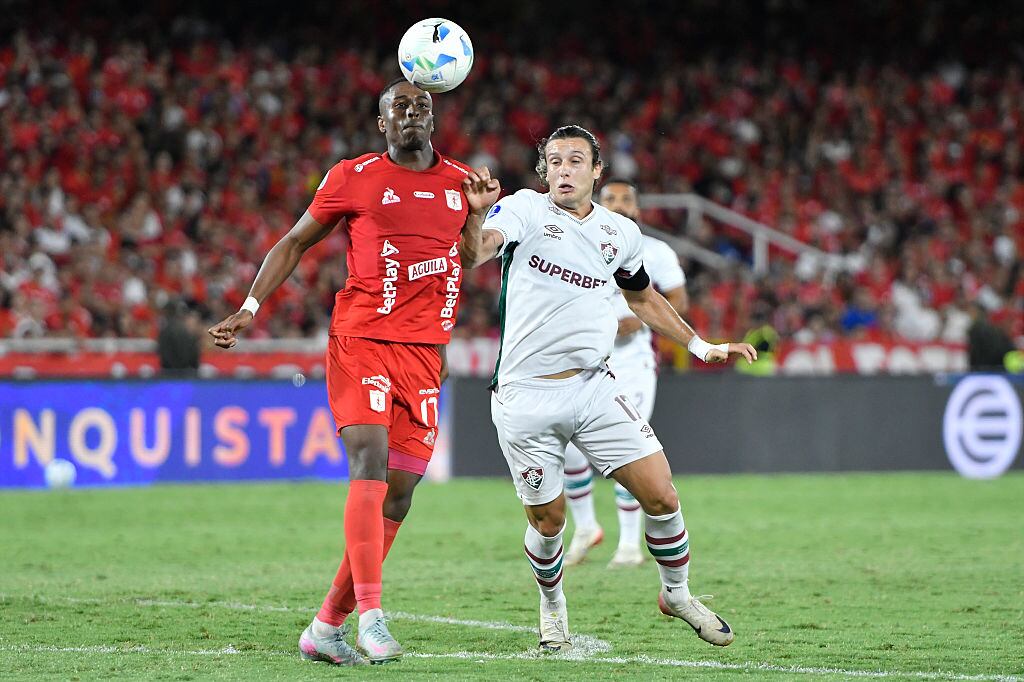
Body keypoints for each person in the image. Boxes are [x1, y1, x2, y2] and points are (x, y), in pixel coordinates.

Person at [208, 78, 499, 665]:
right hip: (360, 339)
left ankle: (324, 627)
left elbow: (471, 256)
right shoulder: (353, 176)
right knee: (368, 455)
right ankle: (372, 614)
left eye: (421, 106)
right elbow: (293, 243)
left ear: (433, 120)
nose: (411, 113)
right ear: (381, 124)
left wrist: (479, 213)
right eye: (399, 107)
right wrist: (248, 307)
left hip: (424, 353)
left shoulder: (460, 181)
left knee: (400, 496)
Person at [460, 125, 755, 652]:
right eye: (554, 161)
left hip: (595, 388)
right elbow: (474, 254)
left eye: (576, 160)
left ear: (597, 171)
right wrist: (478, 212)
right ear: (543, 172)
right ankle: (552, 604)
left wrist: (699, 345)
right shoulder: (525, 209)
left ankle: (678, 594)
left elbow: (643, 298)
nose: (564, 169)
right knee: (549, 523)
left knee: (662, 494)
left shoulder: (620, 233)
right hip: (525, 397)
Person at [561, 178, 689, 569]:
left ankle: (630, 545)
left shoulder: (655, 251)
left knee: (629, 451)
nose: (617, 204)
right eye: (610, 198)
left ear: (637, 208)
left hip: (632, 365)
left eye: (625, 199)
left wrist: (641, 317)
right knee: (566, 447)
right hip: (586, 361)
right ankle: (586, 527)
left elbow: (678, 297)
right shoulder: (575, 246)